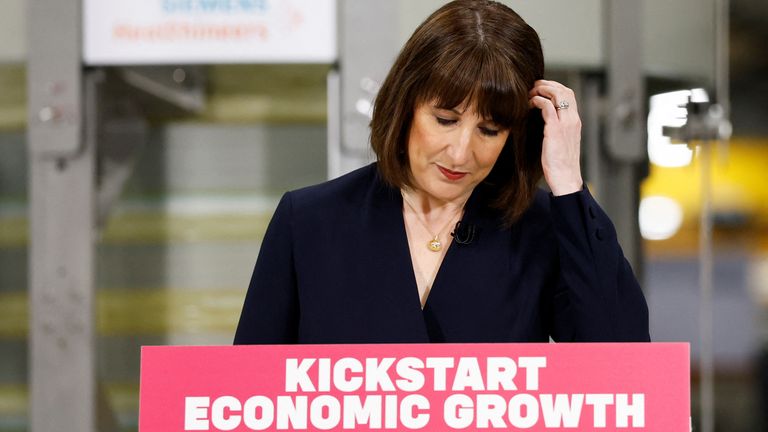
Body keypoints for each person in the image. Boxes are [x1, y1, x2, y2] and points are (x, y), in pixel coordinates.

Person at [234, 0, 649, 344]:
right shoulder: (309, 221)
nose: (461, 152)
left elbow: (626, 365)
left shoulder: (543, 230)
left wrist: (568, 183)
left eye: (490, 130)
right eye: (445, 120)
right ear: (406, 105)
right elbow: (248, 390)